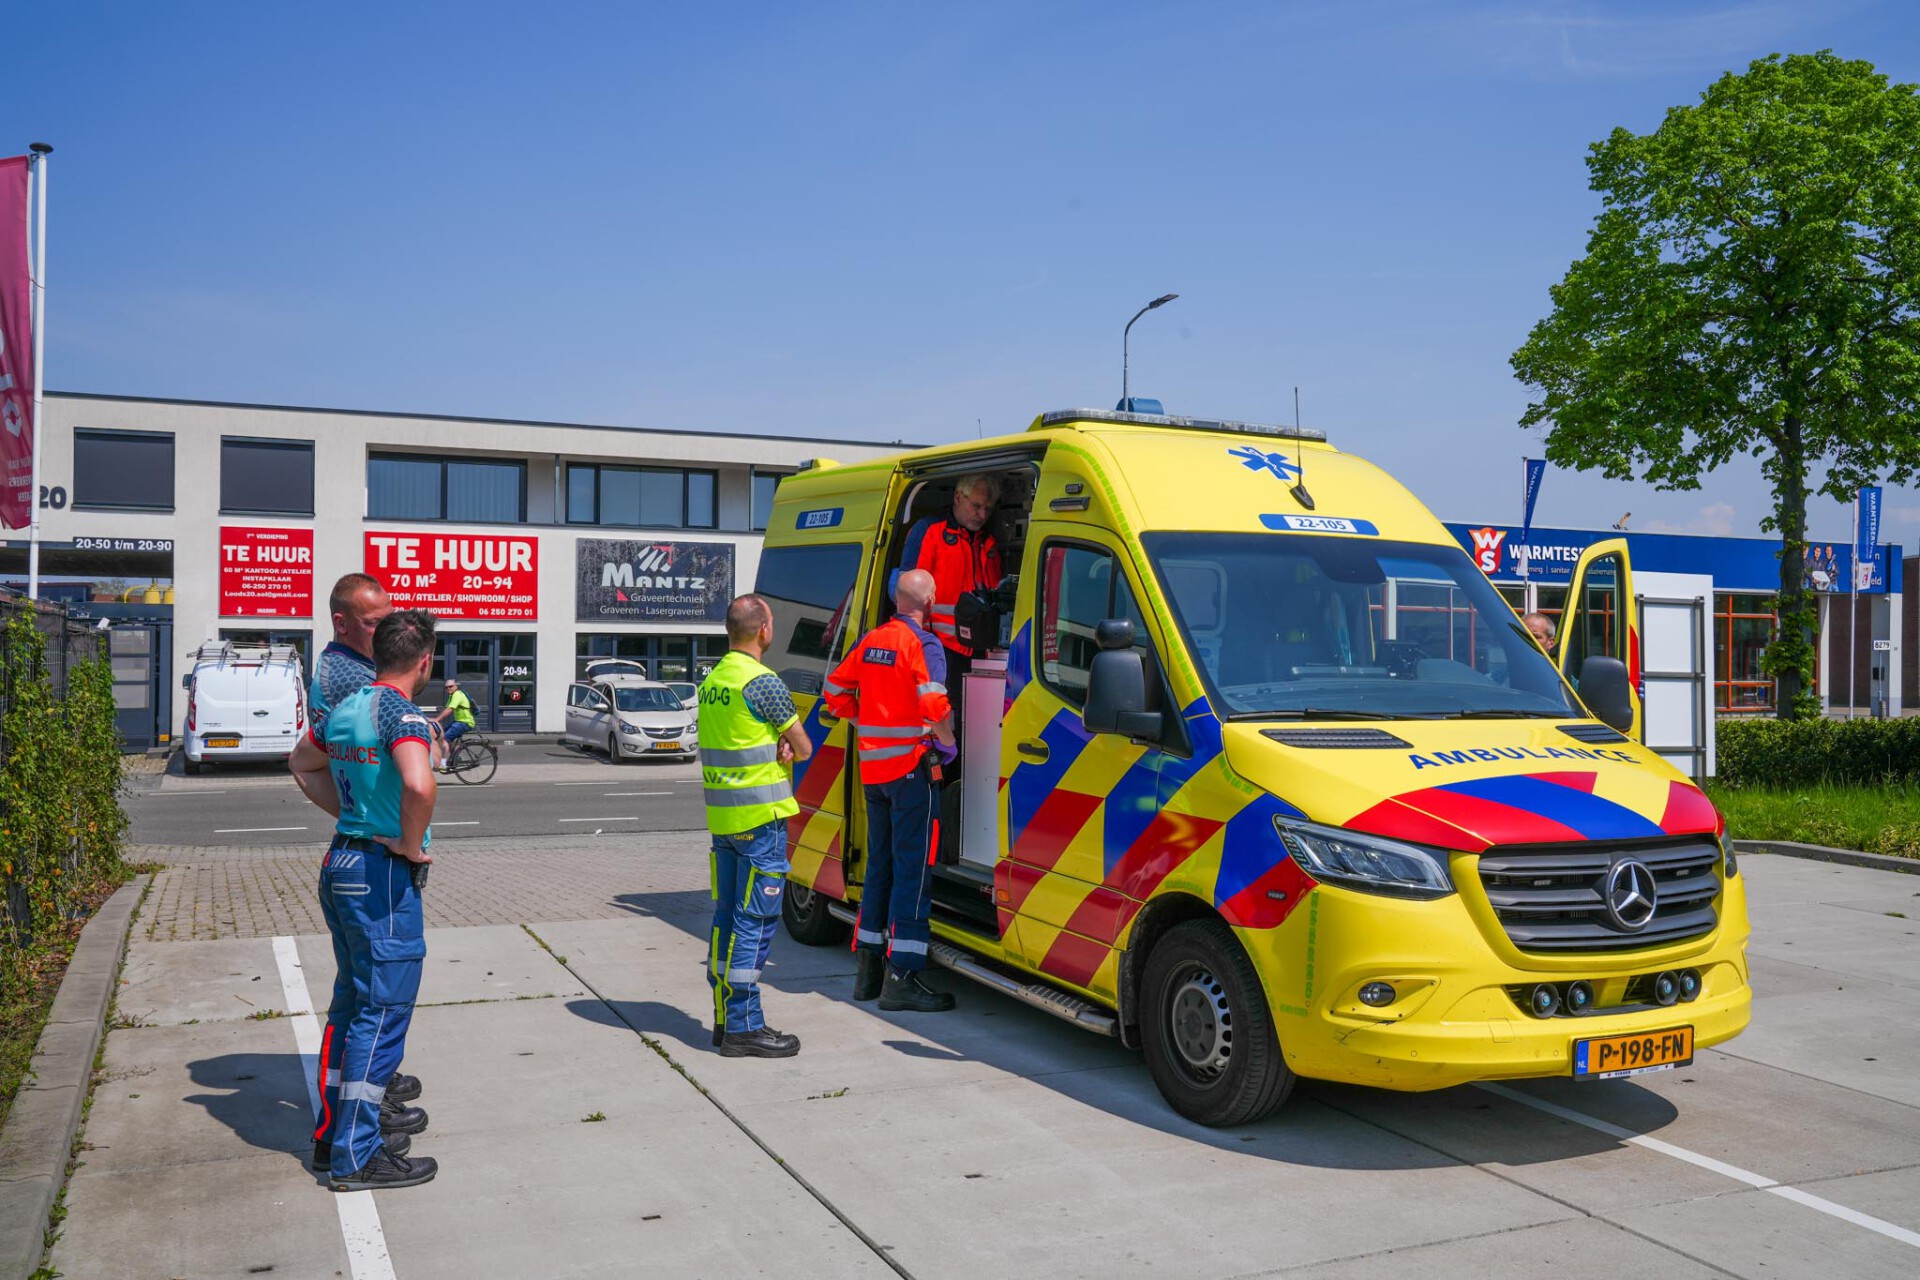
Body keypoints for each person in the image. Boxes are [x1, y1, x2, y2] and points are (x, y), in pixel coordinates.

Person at [288, 609, 442, 1191]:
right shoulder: (401, 713)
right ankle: (358, 1153)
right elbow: (418, 783)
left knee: (352, 1007)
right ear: (423, 660)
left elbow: (302, 763)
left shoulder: (345, 708)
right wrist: (409, 843)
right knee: (383, 1014)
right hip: (381, 874)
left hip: (341, 861)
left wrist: (350, 816)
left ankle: (334, 1138)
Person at [823, 568, 958, 1013]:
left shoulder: (872, 640)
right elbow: (934, 706)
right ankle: (902, 976)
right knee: (912, 872)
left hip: (874, 773)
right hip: (910, 773)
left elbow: (835, 692)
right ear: (930, 602)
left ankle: (868, 974)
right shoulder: (925, 645)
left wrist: (868, 724)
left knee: (880, 867)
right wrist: (949, 744)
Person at [698, 594, 814, 1057]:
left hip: (723, 820)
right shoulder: (763, 683)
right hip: (761, 821)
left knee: (726, 919)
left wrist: (774, 744)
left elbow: (739, 738)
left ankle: (725, 1020)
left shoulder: (713, 681)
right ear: (764, 630)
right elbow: (803, 747)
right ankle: (746, 1027)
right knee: (756, 922)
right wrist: (787, 746)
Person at [900, 474, 1003, 668]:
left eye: (987, 509)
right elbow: (905, 596)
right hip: (937, 650)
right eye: (977, 506)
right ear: (958, 497)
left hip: (981, 649)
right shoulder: (930, 531)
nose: (982, 515)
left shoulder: (987, 543)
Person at [434, 678, 475, 742]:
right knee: (442, 734)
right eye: (446, 687)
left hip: (465, 723)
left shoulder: (457, 694)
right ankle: (450, 751)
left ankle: (446, 750)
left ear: (456, 686)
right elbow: (447, 708)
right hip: (458, 721)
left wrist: (437, 719)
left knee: (444, 739)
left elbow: (450, 709)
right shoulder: (452, 695)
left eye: (450, 686)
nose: (448, 688)